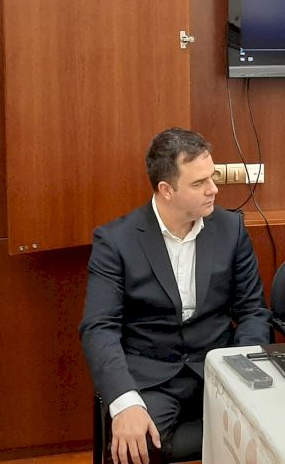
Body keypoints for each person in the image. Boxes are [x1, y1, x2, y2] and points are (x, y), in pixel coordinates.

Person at [79, 128, 269, 464]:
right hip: (151, 378)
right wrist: (124, 400)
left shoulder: (231, 230)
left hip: (217, 372)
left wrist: (242, 372)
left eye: (212, 177)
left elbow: (253, 310)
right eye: (199, 183)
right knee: (137, 447)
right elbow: (99, 327)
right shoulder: (116, 241)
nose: (213, 189)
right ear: (166, 190)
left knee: (266, 431)